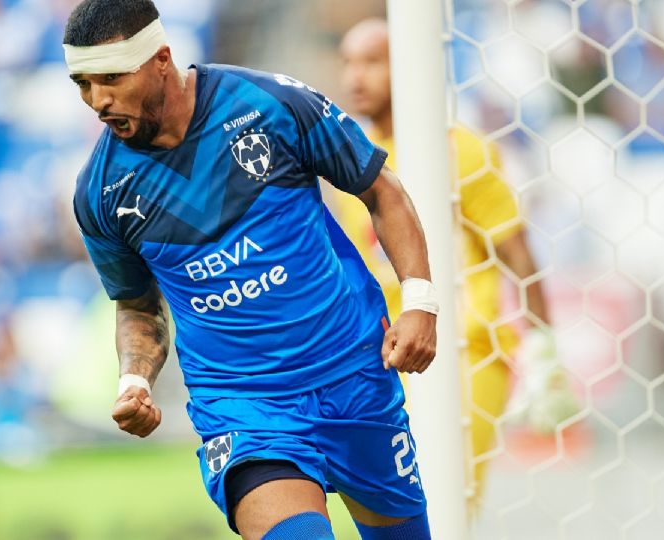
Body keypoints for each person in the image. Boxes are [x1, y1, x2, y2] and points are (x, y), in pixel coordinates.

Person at [65, 1, 438, 538]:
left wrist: (420, 302)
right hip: (245, 407)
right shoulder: (100, 192)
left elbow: (380, 190)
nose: (97, 101)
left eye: (111, 78)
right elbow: (137, 303)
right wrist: (134, 379)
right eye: (83, 83)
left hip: (352, 374)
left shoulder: (270, 103)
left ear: (161, 60)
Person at [338, 18, 579, 514]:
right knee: (397, 507)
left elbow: (519, 254)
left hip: (468, 350)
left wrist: (544, 349)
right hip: (388, 356)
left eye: (372, 61)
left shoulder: (459, 149)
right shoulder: (351, 160)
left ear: (410, 66)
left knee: (445, 503)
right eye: (348, 62)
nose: (355, 77)